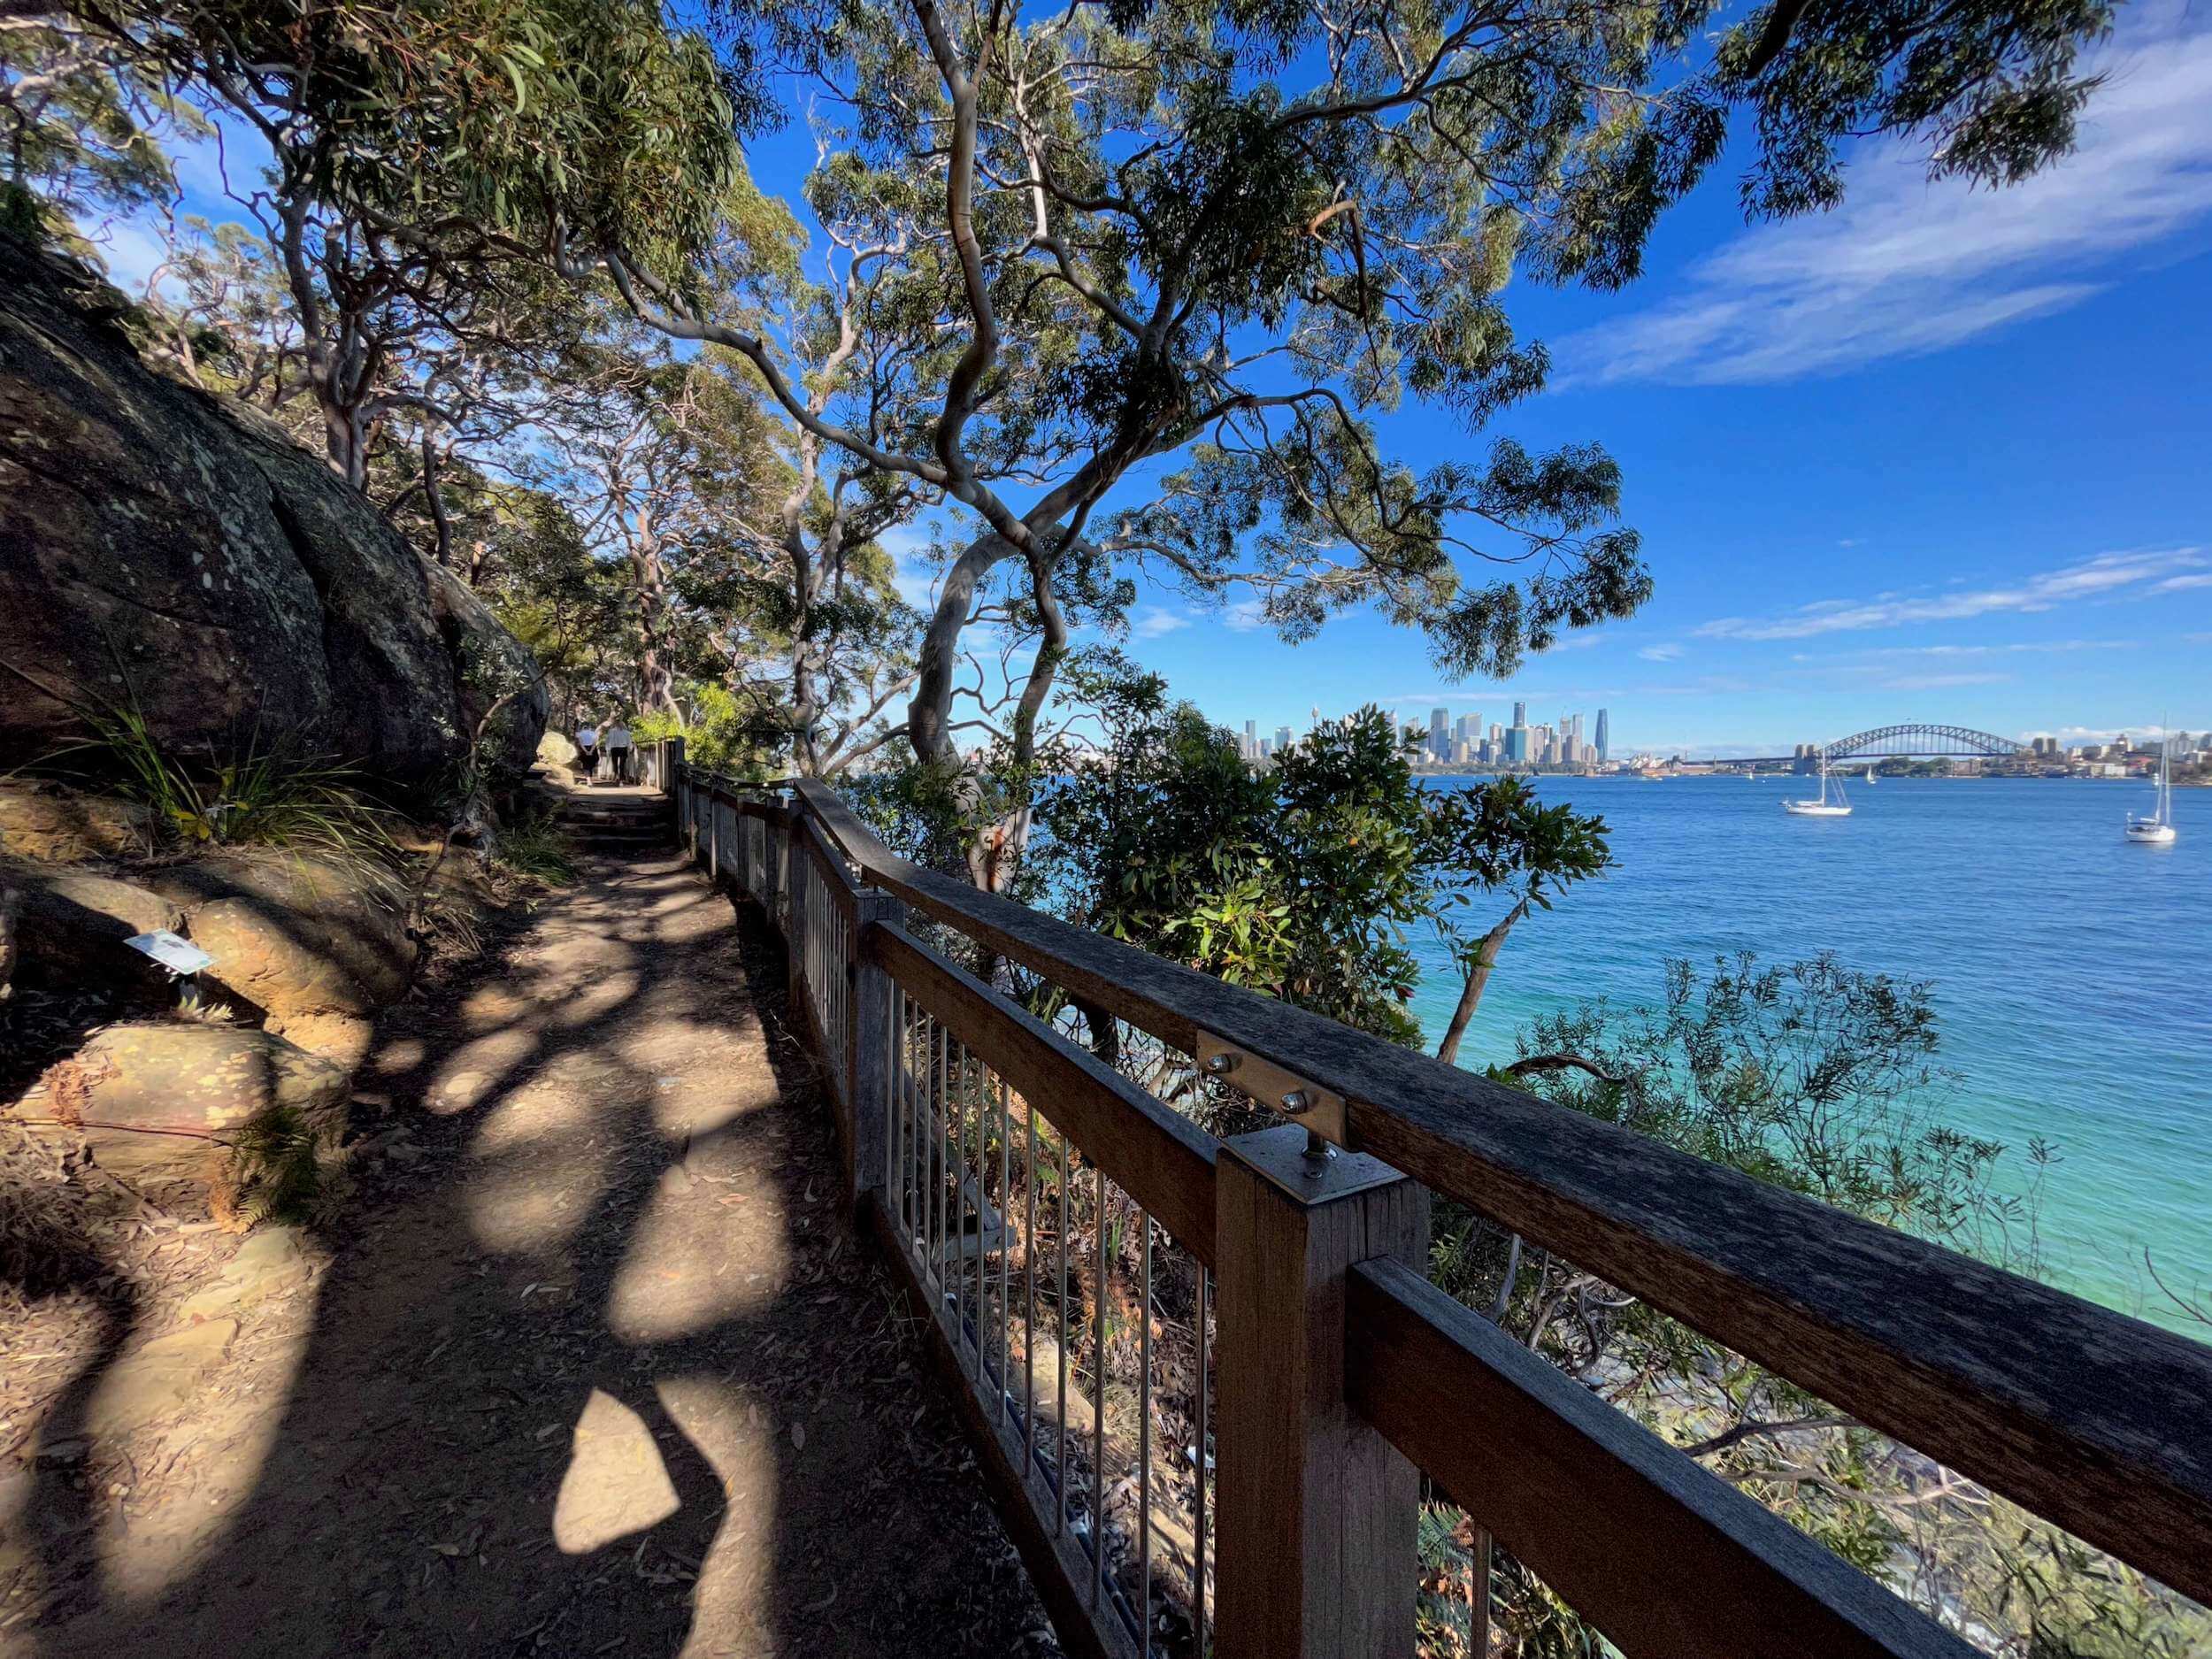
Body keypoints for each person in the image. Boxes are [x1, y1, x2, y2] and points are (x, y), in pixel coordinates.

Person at [604, 716, 634, 786]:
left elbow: (608, 741)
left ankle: (616, 776)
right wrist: (630, 748)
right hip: (623, 748)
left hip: (614, 748)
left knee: (615, 764)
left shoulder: (611, 731)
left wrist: (607, 749)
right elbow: (629, 741)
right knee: (622, 765)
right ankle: (621, 779)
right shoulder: (627, 732)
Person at [575, 718, 599, 782]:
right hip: (592, 749)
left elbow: (580, 743)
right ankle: (589, 779)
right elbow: (595, 744)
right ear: (589, 727)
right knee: (591, 765)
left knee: (585, 765)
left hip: (583, 749)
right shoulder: (594, 733)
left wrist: (586, 751)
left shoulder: (580, 733)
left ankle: (588, 780)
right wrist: (591, 751)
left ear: (583, 727)